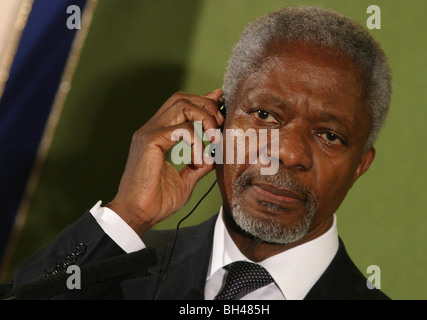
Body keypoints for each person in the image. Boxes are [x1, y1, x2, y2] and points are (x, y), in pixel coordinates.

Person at [6, 6, 392, 300]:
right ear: (216, 119)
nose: (289, 153)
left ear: (360, 165)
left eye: (329, 136)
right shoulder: (114, 272)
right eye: (264, 115)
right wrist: (129, 215)